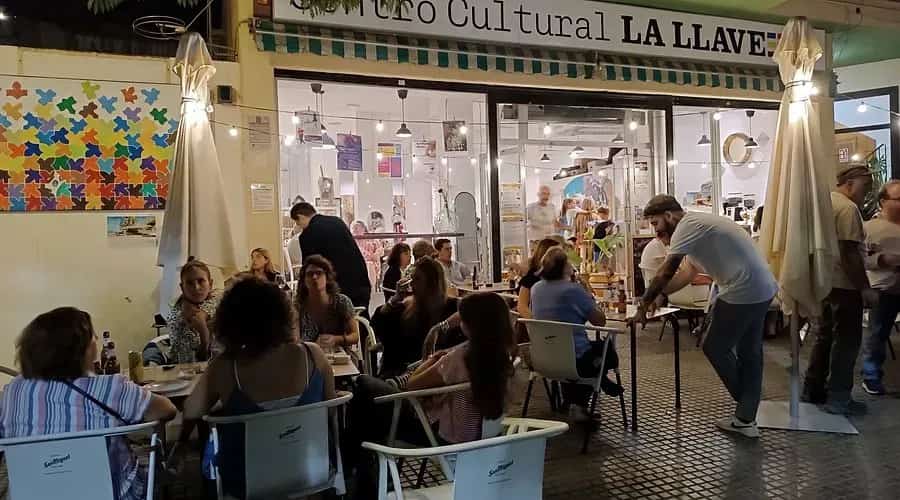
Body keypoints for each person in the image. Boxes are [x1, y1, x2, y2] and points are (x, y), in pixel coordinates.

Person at [1, 307, 177, 500]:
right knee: (155, 465)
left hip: (32, 495)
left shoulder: (14, 390)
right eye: (93, 336)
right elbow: (167, 410)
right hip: (109, 494)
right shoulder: (110, 388)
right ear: (82, 348)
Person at [637, 195, 776, 437]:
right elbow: (687, 273)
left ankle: (748, 402)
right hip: (761, 287)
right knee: (749, 352)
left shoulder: (687, 226)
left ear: (669, 216)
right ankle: (745, 417)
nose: (656, 231)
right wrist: (660, 295)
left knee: (715, 346)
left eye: (655, 223)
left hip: (741, 289)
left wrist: (644, 302)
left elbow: (667, 270)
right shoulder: (697, 226)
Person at [349, 292, 515, 495]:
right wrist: (444, 327)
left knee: (363, 384)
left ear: (470, 324)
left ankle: (357, 468)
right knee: (369, 418)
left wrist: (431, 360)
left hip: (440, 435)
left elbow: (412, 384)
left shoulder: (459, 359)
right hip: (480, 434)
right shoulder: (502, 355)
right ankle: (362, 469)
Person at [183, 277, 336, 498]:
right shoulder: (312, 355)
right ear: (282, 314)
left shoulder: (226, 367)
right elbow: (330, 411)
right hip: (313, 472)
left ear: (230, 321)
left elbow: (191, 410)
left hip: (247, 483)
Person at [802, 164, 877, 413]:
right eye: (865, 186)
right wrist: (864, 288)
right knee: (846, 341)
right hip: (844, 285)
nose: (866, 193)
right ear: (851, 182)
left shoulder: (824, 204)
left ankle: (813, 390)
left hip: (825, 282)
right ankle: (839, 397)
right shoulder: (847, 209)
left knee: (824, 337)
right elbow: (848, 253)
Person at [530, 247, 622, 420]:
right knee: (606, 352)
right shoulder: (573, 290)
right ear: (564, 266)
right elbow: (599, 321)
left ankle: (572, 400)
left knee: (581, 351)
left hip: (542, 360)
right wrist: (587, 293)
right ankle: (580, 403)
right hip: (576, 361)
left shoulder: (536, 289)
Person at [372, 257, 458, 378]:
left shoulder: (451, 308)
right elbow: (378, 323)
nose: (411, 284)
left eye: (417, 279)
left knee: (364, 383)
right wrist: (395, 299)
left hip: (429, 376)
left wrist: (439, 328)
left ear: (432, 283)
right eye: (412, 278)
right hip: (404, 374)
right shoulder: (407, 307)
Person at [291, 202, 372, 313]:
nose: (298, 226)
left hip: (337, 290)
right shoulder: (337, 221)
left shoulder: (308, 234)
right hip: (360, 282)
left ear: (300, 217)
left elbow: (310, 268)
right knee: (360, 321)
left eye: (297, 222)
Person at [861, 180, 900, 395]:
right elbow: (859, 259)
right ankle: (871, 375)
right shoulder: (868, 228)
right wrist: (882, 259)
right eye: (898, 199)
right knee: (878, 333)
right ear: (884, 201)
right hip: (883, 289)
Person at [294, 255, 360, 351]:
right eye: (309, 274)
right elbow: (295, 340)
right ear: (303, 280)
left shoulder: (342, 302)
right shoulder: (298, 306)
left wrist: (337, 339)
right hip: (308, 356)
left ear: (327, 278)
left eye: (319, 273)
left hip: (339, 357)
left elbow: (355, 336)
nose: (314, 277)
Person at [166, 258, 221, 363]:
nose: (196, 287)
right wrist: (204, 335)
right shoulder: (178, 317)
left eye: (201, 281)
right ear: (182, 287)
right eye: (190, 283)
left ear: (210, 284)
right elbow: (190, 364)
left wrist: (204, 314)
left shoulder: (218, 305)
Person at [516, 238, 560, 319]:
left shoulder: (561, 277)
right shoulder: (532, 277)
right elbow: (522, 307)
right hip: (537, 326)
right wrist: (537, 324)